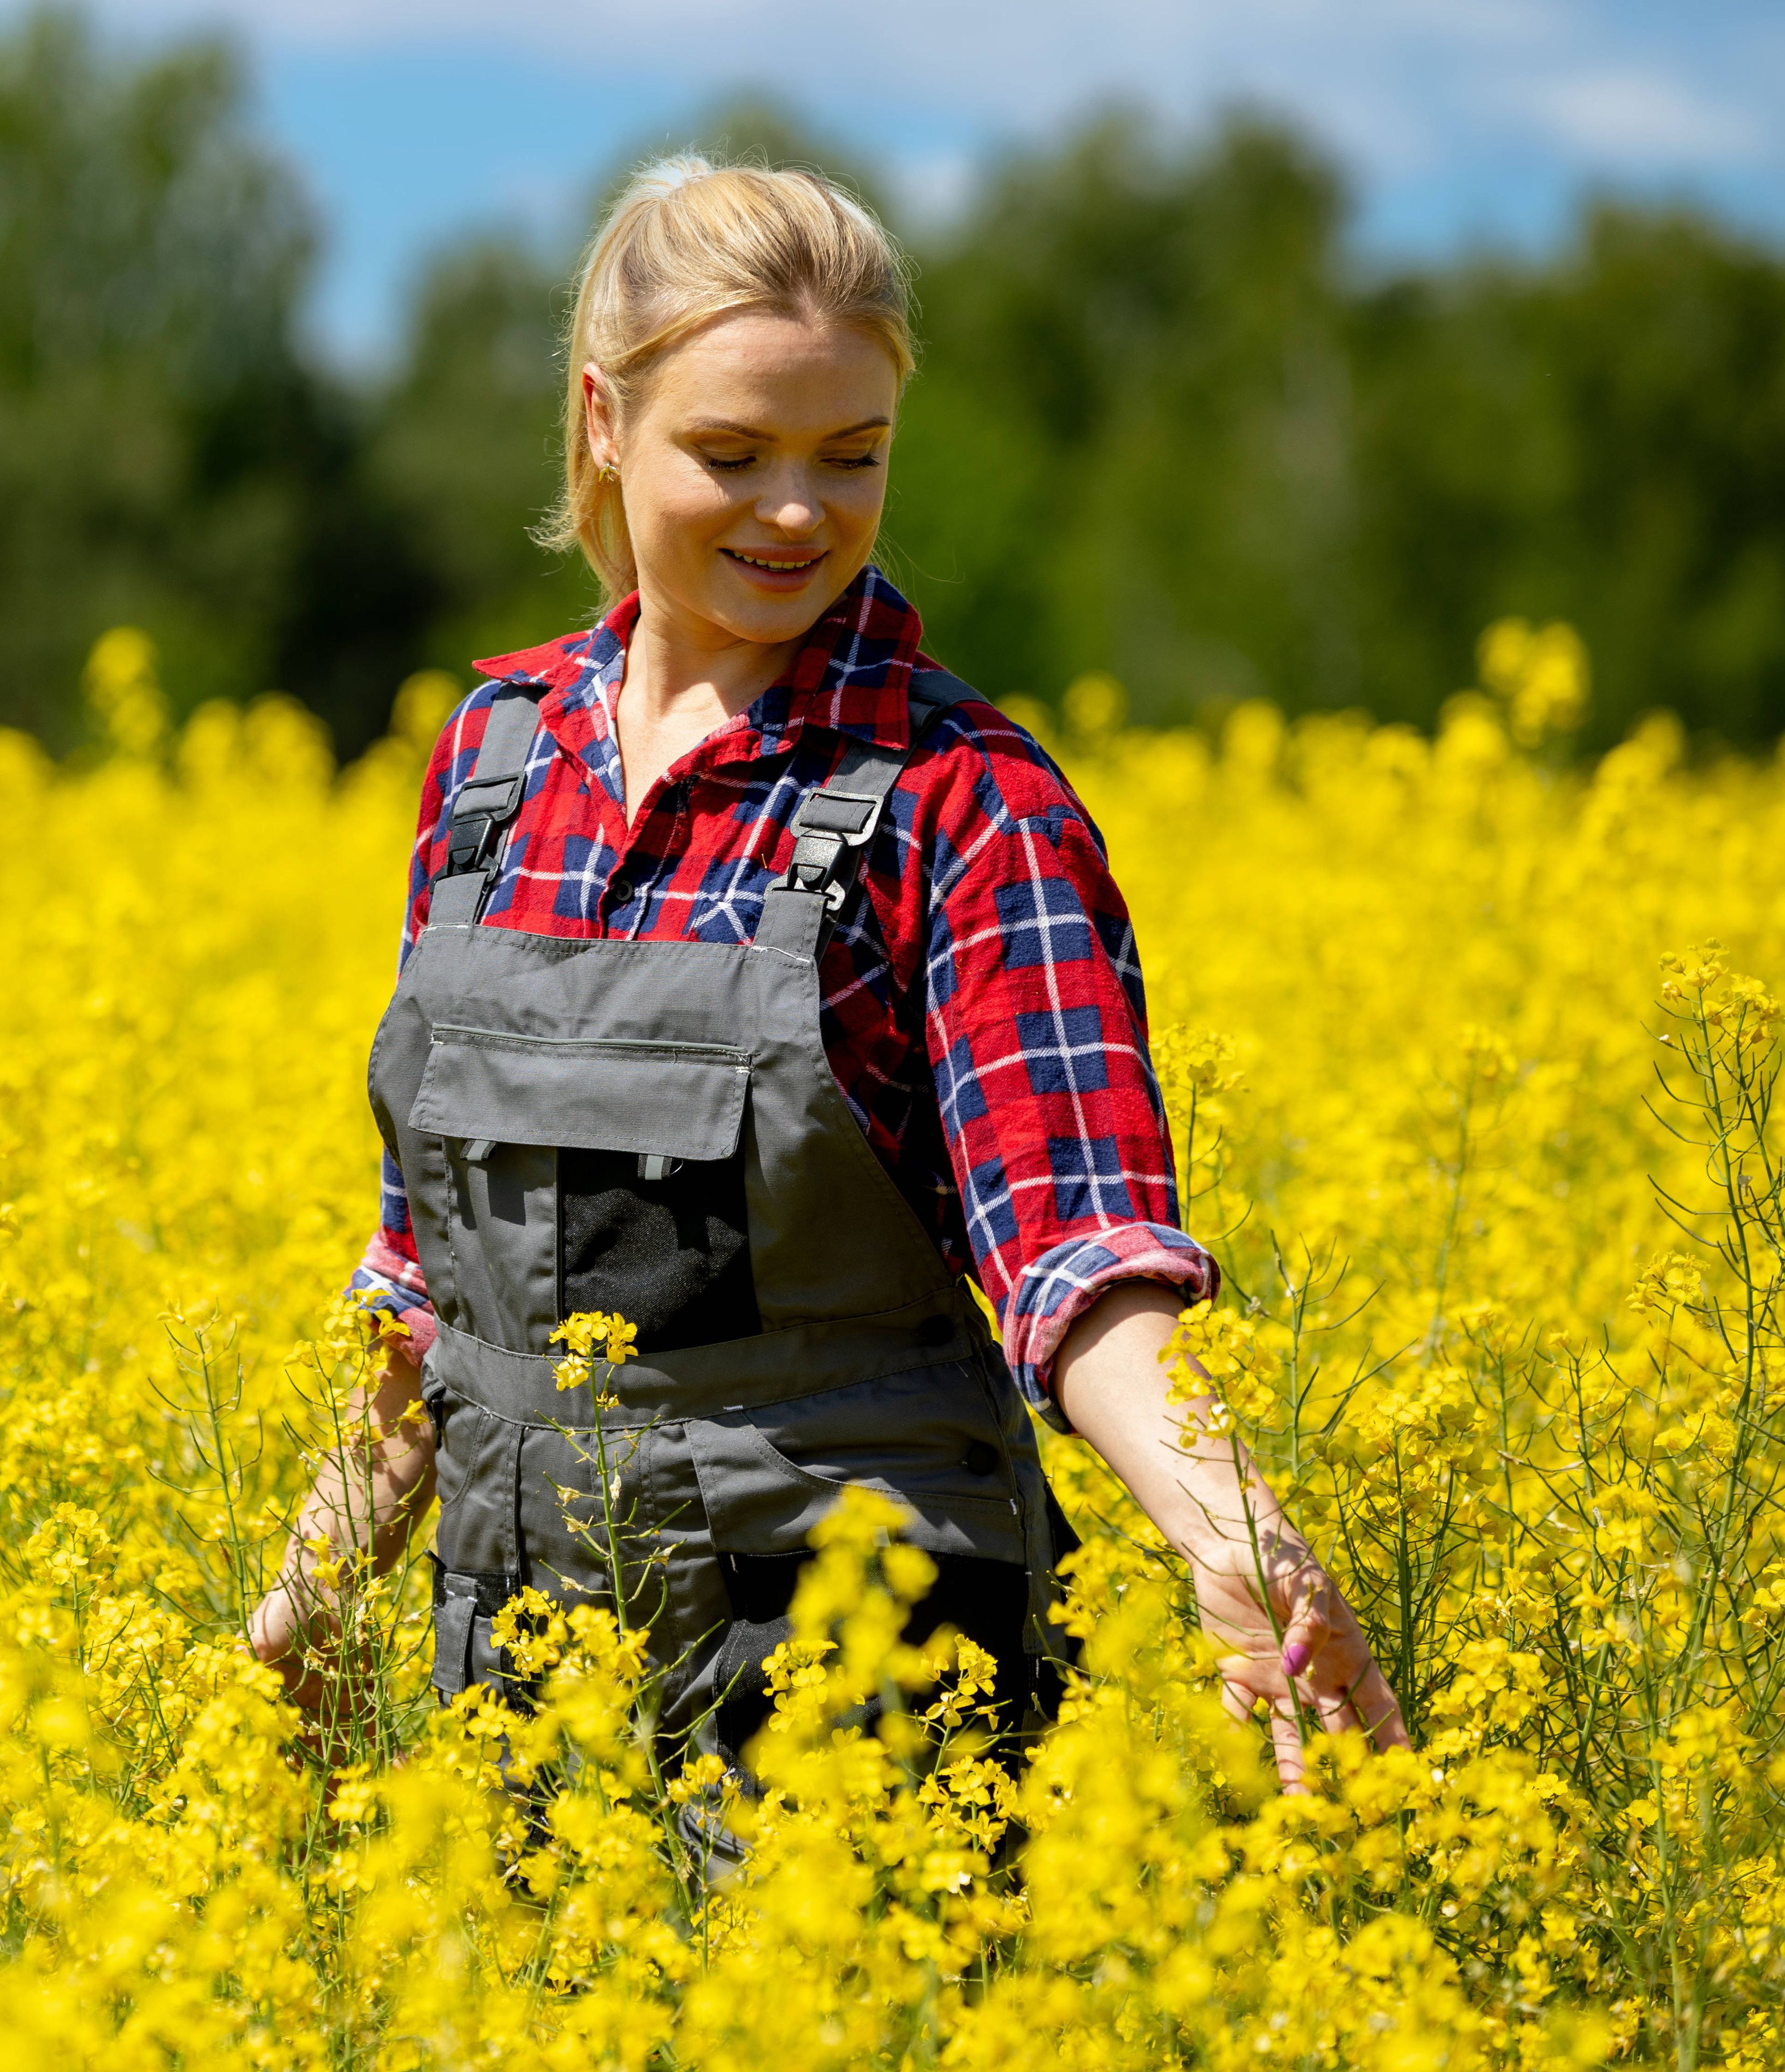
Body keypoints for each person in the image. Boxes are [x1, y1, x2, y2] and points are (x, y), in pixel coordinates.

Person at [246, 157, 1407, 1830]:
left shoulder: (965, 804)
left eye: (850, 459)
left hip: (859, 1687)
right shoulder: (492, 771)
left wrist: (1232, 1530)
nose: (799, 511)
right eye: (734, 455)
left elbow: (1073, 1249)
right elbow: (437, 1270)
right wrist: (318, 1583)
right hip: (519, 1686)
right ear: (601, 422)